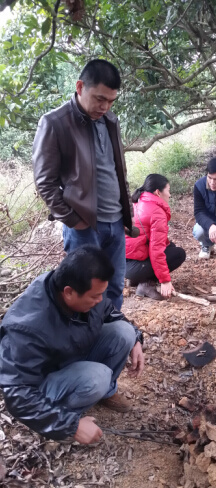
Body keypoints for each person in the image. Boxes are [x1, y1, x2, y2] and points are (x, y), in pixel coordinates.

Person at [0, 246, 145, 445]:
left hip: (69, 356)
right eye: (95, 296)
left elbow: (109, 311)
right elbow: (17, 394)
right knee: (98, 376)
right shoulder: (26, 327)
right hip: (42, 385)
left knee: (124, 332)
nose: (100, 300)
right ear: (68, 292)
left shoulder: (80, 286)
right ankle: (66, 422)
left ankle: (103, 393)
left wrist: (136, 339)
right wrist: (70, 425)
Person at [33, 59, 138, 310]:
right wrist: (73, 220)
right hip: (84, 226)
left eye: (111, 101)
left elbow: (116, 169)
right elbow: (44, 182)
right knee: (84, 292)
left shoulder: (110, 121)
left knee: (113, 286)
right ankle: (84, 340)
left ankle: (111, 335)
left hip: (115, 222)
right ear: (80, 87)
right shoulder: (55, 123)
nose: (105, 106)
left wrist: (126, 211)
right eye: (100, 98)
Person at [125, 174, 186, 300]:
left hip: (123, 262)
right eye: (168, 191)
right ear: (158, 192)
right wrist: (165, 280)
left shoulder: (139, 200)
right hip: (132, 267)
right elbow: (156, 251)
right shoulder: (156, 212)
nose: (169, 195)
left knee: (171, 247)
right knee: (178, 254)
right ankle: (146, 284)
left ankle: (136, 279)